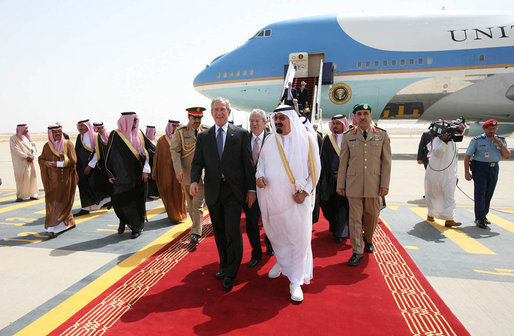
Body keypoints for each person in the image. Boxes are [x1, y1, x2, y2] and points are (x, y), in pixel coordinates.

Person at [190, 97, 256, 292]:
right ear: (212, 113)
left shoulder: (242, 134)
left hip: (234, 191)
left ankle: (231, 272)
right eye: (216, 109)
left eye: (222, 109)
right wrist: (194, 180)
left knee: (232, 230)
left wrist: (251, 189)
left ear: (228, 112)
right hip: (214, 191)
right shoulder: (203, 137)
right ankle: (224, 263)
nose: (219, 112)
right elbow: (197, 162)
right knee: (218, 231)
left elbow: (248, 164)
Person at [256, 105, 321, 302]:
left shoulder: (307, 140)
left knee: (299, 239)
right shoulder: (269, 141)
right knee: (278, 236)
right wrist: (259, 177)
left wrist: (306, 192)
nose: (278, 122)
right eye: (276, 119)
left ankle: (296, 280)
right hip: (274, 200)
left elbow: (315, 171)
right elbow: (261, 166)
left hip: (297, 201)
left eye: (282, 118)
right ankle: (283, 263)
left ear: (291, 119)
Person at [337, 103, 391, 266]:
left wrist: (385, 184)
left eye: (365, 113)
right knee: (354, 218)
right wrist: (341, 185)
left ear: (370, 115)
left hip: (374, 184)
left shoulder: (381, 135)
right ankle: (356, 251)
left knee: (372, 216)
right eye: (359, 114)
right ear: (355, 117)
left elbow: (386, 162)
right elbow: (343, 162)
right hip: (353, 183)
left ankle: (368, 239)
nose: (362, 116)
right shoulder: (348, 136)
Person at [105, 112, 150, 239]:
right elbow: (108, 155)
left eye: (137, 119)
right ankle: (123, 220)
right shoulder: (115, 135)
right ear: (126, 121)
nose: (136, 122)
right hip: (121, 176)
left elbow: (146, 152)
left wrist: (146, 170)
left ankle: (137, 227)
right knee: (119, 200)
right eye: (134, 120)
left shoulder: (139, 133)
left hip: (137, 176)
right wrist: (109, 172)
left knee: (135, 202)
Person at [242, 109, 274, 268]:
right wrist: (250, 189)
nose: (254, 124)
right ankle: (256, 253)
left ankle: (270, 244)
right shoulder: (243, 139)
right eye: (252, 121)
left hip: (269, 189)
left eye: (257, 121)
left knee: (270, 220)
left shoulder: (273, 139)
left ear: (265, 122)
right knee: (252, 223)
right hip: (250, 191)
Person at [464, 119, 510, 228]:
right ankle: (479, 218)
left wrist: (501, 145)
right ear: (485, 129)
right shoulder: (477, 140)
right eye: (490, 129)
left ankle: (483, 215)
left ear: (497, 129)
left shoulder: (501, 140)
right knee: (480, 193)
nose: (492, 131)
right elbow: (467, 156)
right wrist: (466, 171)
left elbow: (507, 156)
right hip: (480, 168)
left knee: (489, 193)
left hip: (494, 168)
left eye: (494, 129)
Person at [170, 107, 207, 246]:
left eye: (199, 118)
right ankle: (196, 226)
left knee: (197, 204)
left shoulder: (206, 131)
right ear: (188, 118)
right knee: (191, 204)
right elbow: (174, 151)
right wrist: (178, 170)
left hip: (203, 175)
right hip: (186, 174)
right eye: (194, 118)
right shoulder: (180, 132)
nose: (197, 121)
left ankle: (195, 233)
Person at [38, 124, 79, 237]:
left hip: (65, 179)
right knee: (53, 203)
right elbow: (41, 158)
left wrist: (57, 164)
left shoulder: (68, 144)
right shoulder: (47, 146)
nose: (57, 134)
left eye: (59, 132)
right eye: (54, 133)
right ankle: (68, 222)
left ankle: (54, 228)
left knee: (62, 201)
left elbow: (73, 161)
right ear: (50, 134)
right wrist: (45, 163)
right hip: (52, 181)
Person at [320, 114, 350, 244]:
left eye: (339, 123)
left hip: (347, 180)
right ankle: (334, 224)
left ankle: (340, 232)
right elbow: (323, 159)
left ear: (344, 124)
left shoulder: (351, 138)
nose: (336, 126)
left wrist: (343, 174)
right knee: (329, 204)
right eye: (334, 124)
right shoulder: (328, 139)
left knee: (343, 206)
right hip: (330, 180)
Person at [424, 128, 463, 227]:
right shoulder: (437, 140)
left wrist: (455, 175)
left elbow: (454, 160)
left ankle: (449, 219)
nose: (459, 134)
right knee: (434, 194)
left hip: (450, 175)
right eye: (457, 131)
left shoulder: (455, 142)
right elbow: (437, 153)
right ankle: (431, 213)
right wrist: (444, 142)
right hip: (435, 174)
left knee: (449, 196)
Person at [153, 120, 187, 223]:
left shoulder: (183, 139)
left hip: (180, 172)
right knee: (169, 193)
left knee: (180, 194)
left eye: (178, 126)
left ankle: (180, 214)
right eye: (173, 126)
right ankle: (173, 215)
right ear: (169, 126)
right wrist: (155, 171)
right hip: (166, 172)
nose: (176, 128)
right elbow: (157, 157)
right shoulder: (162, 140)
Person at [74, 119, 111, 216]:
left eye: (82, 125)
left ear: (87, 126)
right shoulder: (79, 137)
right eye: (79, 126)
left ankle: (107, 199)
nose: (80, 128)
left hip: (93, 168)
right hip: (81, 168)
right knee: (83, 187)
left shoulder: (95, 136)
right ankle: (85, 208)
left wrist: (90, 165)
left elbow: (97, 152)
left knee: (94, 186)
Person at [9, 124, 38, 202]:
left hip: (30, 161)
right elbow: (16, 149)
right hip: (21, 162)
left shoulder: (29, 138)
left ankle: (33, 194)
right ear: (21, 129)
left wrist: (33, 155)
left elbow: (34, 147)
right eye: (25, 128)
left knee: (32, 177)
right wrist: (26, 156)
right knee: (21, 178)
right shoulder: (14, 139)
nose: (27, 130)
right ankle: (20, 196)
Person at [92, 121, 113, 197]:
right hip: (99, 164)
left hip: (108, 164)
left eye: (101, 128)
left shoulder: (107, 137)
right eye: (98, 128)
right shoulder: (93, 138)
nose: (100, 130)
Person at [143, 125, 159, 199]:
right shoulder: (145, 141)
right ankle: (151, 193)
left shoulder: (155, 140)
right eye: (153, 131)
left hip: (157, 163)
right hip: (150, 163)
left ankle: (157, 192)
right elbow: (147, 152)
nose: (154, 132)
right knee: (151, 179)